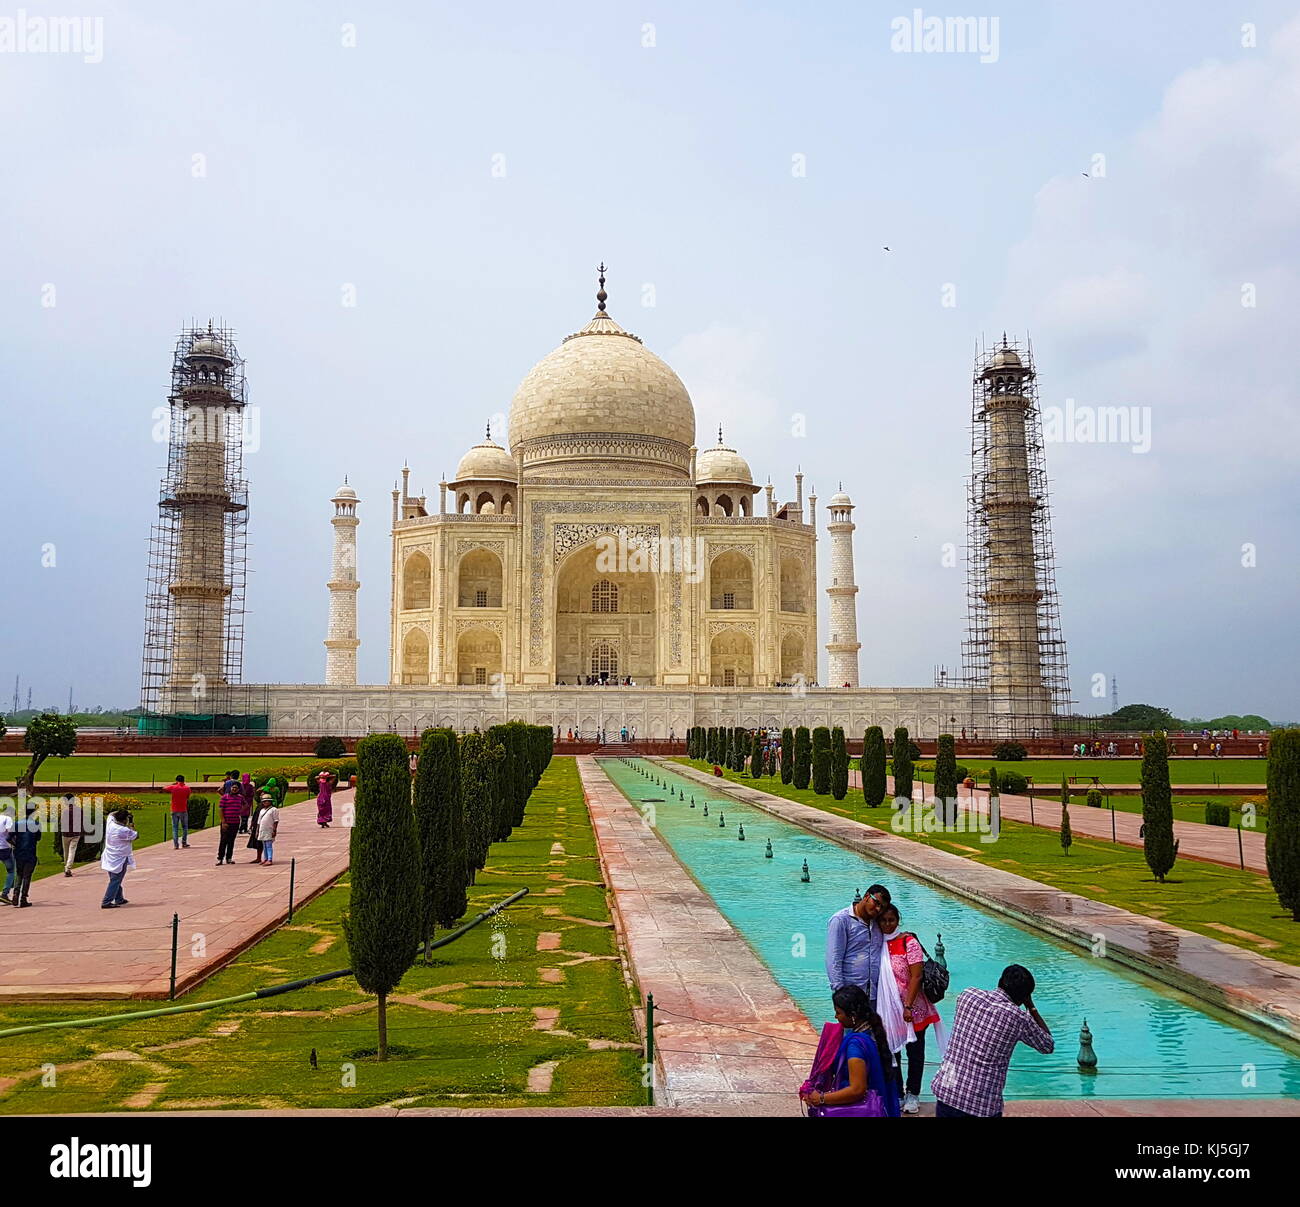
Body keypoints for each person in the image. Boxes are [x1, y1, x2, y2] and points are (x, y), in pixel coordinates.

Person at [930, 964, 1053, 1117]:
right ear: (1024, 997)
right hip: (982, 1104)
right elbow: (1047, 1045)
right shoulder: (1018, 1018)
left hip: (947, 1093)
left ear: (1000, 981)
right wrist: (1031, 1007)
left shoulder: (967, 996)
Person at [877, 904, 943, 1115]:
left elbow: (916, 976)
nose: (887, 924)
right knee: (891, 1051)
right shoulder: (876, 942)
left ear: (898, 920)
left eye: (891, 920)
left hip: (912, 1008)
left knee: (915, 1052)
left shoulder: (908, 942)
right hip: (888, 1008)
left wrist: (908, 1006)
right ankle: (896, 1092)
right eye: (883, 920)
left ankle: (913, 1093)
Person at [799, 985, 900, 1117]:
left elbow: (857, 1090)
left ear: (853, 1015)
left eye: (838, 1012)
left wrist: (821, 1098)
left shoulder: (855, 1046)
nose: (836, 1017)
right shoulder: (873, 1032)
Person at [825, 884, 891, 1004]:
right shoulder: (841, 920)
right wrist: (841, 994)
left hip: (876, 994)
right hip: (851, 995)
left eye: (882, 907)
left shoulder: (878, 922)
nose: (878, 909)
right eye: (876, 903)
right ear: (866, 896)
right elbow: (834, 959)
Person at [100, 808, 137, 909]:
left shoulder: (110, 823)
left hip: (110, 856)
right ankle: (106, 901)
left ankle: (119, 898)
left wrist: (123, 812)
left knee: (115, 878)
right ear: (124, 820)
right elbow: (135, 835)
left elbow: (111, 814)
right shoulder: (123, 830)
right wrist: (131, 823)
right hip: (119, 857)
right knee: (116, 879)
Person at [11, 802, 42, 908]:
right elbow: (38, 838)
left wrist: (16, 844)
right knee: (27, 876)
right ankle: (23, 898)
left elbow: (9, 838)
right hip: (30, 852)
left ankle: (15, 893)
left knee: (19, 874)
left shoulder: (17, 823)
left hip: (19, 852)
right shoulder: (36, 824)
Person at [216, 773, 243, 865]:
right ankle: (220, 858)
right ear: (230, 788)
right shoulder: (225, 797)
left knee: (231, 840)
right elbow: (221, 809)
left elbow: (246, 805)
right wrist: (223, 821)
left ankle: (229, 858)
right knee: (223, 840)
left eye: (236, 788)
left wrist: (239, 811)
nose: (234, 789)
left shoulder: (240, 798)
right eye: (233, 787)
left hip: (235, 822)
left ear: (238, 789)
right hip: (226, 822)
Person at [58, 792, 85, 875]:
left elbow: (61, 822)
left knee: (66, 851)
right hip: (76, 833)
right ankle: (68, 867)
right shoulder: (79, 810)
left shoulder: (65, 811)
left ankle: (67, 867)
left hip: (66, 833)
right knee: (72, 850)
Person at [166, 775, 192, 849]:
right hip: (183, 810)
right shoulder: (187, 788)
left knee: (175, 828)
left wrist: (174, 784)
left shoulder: (173, 787)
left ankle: (176, 845)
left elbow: (164, 788)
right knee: (185, 827)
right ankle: (184, 842)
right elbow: (188, 797)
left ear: (177, 780)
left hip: (174, 810)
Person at [258, 793, 280, 865]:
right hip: (262, 829)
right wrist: (257, 831)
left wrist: (274, 830)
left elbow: (276, 821)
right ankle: (265, 858)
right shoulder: (262, 810)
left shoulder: (274, 810)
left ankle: (270, 859)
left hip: (269, 829)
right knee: (264, 845)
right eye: (264, 801)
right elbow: (259, 821)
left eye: (267, 801)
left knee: (268, 845)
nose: (265, 803)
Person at [0, 800, 15, 904]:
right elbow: (11, 833)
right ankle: (5, 893)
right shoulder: (7, 819)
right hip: (4, 848)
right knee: (11, 871)